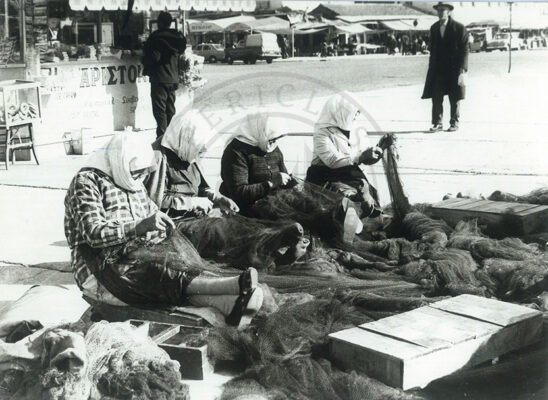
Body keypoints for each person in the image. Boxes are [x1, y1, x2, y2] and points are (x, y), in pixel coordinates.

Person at [64, 132, 263, 328]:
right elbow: (93, 234)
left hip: (133, 257)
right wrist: (139, 227)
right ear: (121, 162)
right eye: (137, 172)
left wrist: (156, 226)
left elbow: (151, 213)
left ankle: (229, 304)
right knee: (157, 270)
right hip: (101, 268)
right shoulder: (86, 182)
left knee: (175, 261)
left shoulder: (131, 179)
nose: (142, 178)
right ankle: (232, 285)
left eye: (144, 172)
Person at [220, 109, 363, 245]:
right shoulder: (236, 152)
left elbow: (283, 174)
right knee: (303, 218)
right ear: (261, 131)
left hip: (276, 200)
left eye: (277, 139)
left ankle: (341, 222)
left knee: (313, 204)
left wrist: (290, 181)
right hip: (251, 207)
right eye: (272, 139)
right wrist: (270, 184)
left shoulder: (270, 147)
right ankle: (338, 229)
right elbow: (239, 193)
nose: (274, 143)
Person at [305, 93, 389, 220]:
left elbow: (363, 154)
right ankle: (356, 210)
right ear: (341, 111)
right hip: (324, 174)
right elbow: (332, 160)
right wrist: (360, 157)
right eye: (354, 111)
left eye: (358, 111)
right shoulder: (322, 132)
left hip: (348, 171)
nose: (357, 115)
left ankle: (367, 209)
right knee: (339, 197)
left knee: (369, 191)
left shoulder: (354, 128)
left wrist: (375, 154)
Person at [146, 111, 239, 218]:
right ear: (187, 140)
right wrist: (190, 203)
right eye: (198, 149)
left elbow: (199, 188)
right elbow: (153, 203)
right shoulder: (157, 157)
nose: (198, 155)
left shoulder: (185, 151)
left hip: (195, 218)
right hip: (174, 222)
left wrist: (217, 199)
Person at [421, 2, 469, 133]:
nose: (441, 12)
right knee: (436, 96)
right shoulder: (434, 28)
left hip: (454, 69)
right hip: (438, 70)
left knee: (455, 97)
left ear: (449, 12)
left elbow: (465, 50)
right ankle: (437, 123)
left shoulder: (459, 28)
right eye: (439, 10)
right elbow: (433, 49)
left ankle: (454, 122)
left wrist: (462, 70)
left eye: (443, 10)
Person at [142, 12, 187, 138]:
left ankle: (162, 137)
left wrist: (144, 61)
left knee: (159, 110)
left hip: (160, 78)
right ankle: (172, 136)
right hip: (173, 78)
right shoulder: (177, 37)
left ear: (159, 22)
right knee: (170, 109)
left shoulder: (156, 37)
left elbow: (154, 57)